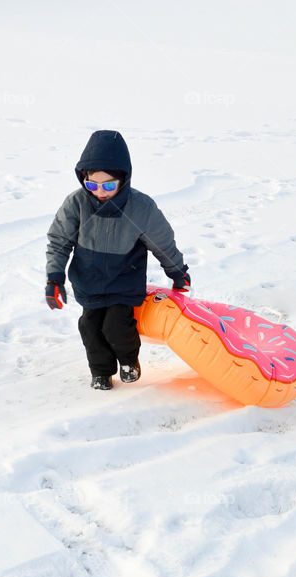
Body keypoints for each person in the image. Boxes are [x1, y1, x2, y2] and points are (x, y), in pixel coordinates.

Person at [45, 130, 191, 390]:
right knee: (90, 328)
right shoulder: (76, 203)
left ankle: (128, 361)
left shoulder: (141, 207)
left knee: (116, 326)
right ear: (83, 178)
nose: (100, 191)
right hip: (89, 281)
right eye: (92, 184)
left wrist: (177, 271)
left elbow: (162, 243)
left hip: (124, 280)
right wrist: (55, 277)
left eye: (108, 185)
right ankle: (100, 371)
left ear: (123, 178)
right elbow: (59, 241)